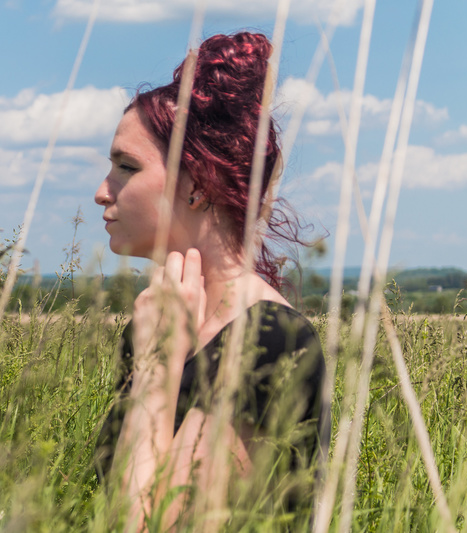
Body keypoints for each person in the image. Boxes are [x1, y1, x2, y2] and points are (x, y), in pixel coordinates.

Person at [94, 32, 327, 531]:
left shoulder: (270, 340)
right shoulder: (158, 318)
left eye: (125, 167)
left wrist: (157, 369)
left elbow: (144, 524)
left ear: (197, 183)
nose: (101, 192)